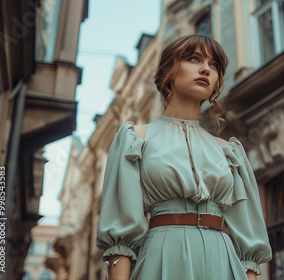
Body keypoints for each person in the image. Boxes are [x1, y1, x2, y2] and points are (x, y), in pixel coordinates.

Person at [95, 34, 273, 280]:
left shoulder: (228, 150)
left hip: (222, 260)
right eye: (194, 59)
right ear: (169, 70)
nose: (205, 69)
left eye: (214, 65)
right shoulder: (136, 138)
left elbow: (248, 242)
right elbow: (121, 231)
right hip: (163, 255)